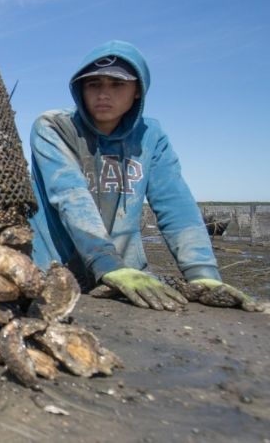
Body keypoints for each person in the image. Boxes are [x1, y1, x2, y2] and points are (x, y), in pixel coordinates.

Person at [29, 40, 260, 312]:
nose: (104, 94)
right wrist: (106, 263)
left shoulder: (151, 137)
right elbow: (70, 194)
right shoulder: (54, 126)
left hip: (125, 275)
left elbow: (176, 205)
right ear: (80, 88)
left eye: (117, 84)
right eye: (94, 84)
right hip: (55, 270)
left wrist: (203, 275)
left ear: (137, 90)